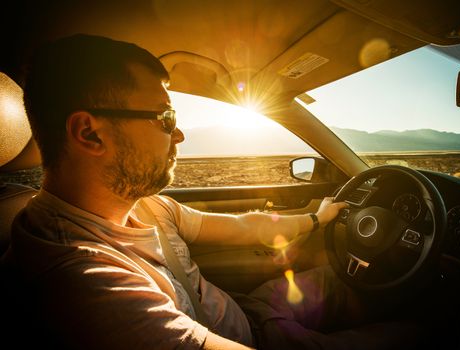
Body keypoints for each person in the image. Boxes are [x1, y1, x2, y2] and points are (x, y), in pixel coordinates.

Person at [6, 34, 419, 350]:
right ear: (89, 132)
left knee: (354, 280)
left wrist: (316, 219)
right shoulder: (83, 283)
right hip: (257, 337)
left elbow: (241, 226)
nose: (180, 133)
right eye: (165, 118)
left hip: (251, 309)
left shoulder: (147, 206)